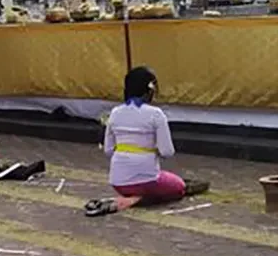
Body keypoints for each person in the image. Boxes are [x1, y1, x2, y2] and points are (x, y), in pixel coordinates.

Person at [87, 66, 208, 217]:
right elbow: (167, 152)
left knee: (163, 179)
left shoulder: (115, 113)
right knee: (179, 187)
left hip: (118, 182)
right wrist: (150, 151)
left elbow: (108, 150)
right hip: (147, 181)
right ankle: (135, 200)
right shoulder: (156, 114)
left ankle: (124, 198)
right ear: (149, 90)